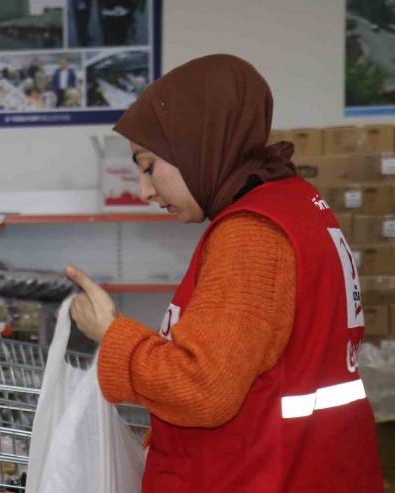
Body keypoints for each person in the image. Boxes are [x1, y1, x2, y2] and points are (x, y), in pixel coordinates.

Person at [64, 54, 384, 492]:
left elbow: (202, 388)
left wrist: (112, 331)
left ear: (198, 144)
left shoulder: (251, 236)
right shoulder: (296, 205)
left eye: (148, 165)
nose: (144, 190)